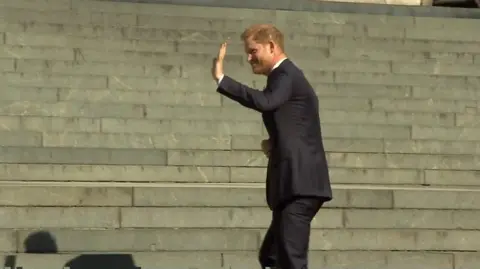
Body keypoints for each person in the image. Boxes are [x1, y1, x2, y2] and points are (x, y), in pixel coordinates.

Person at [211, 24, 332, 269]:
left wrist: (222, 79)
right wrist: (275, 142)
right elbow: (297, 120)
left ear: (272, 47)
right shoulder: (284, 77)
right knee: (272, 256)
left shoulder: (285, 74)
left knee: (290, 259)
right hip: (293, 185)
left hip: (300, 185)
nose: (248, 58)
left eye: (253, 51)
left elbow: (267, 102)